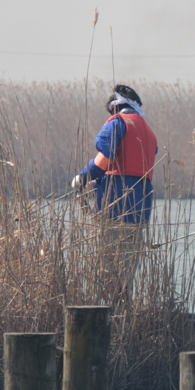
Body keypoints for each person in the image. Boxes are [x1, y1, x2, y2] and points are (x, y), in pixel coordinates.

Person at [72, 85, 158, 296]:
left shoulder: (119, 123)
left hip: (115, 208)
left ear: (115, 107)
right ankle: (125, 314)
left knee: (108, 270)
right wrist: (98, 184)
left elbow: (105, 160)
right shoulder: (148, 131)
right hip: (139, 211)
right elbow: (130, 169)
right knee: (126, 272)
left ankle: (109, 316)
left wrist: (83, 178)